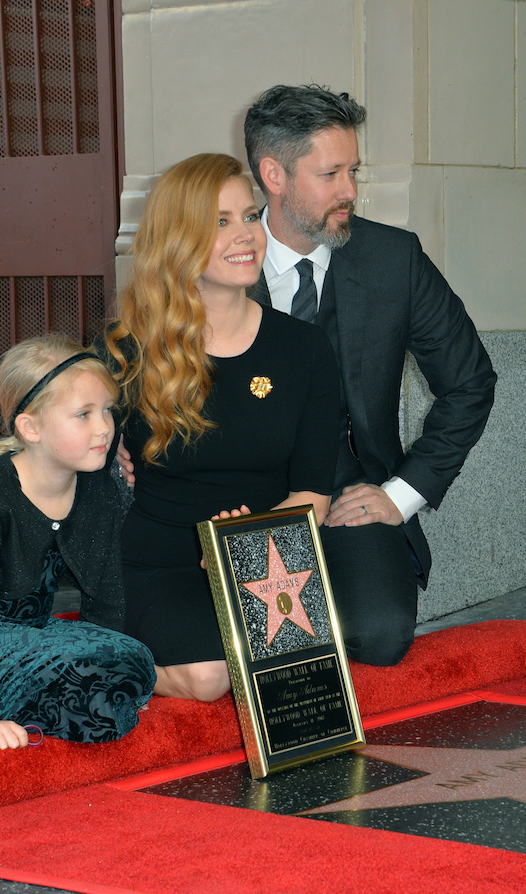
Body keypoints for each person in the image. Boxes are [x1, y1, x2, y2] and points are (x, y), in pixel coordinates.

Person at [241, 84, 497, 666]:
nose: (350, 192)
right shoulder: (214, 255)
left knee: (381, 637)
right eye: (330, 174)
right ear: (274, 175)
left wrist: (399, 495)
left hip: (348, 495)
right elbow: (129, 372)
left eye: (353, 171)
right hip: (240, 503)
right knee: (239, 653)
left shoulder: (393, 259)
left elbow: (470, 380)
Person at [101, 152, 339, 703]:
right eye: (220, 222)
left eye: (251, 216)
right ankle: (92, 655)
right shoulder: (126, 352)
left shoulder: (303, 349)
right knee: (210, 677)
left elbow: (312, 494)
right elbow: (55, 448)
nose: (246, 236)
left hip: (268, 559)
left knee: (298, 664)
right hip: (158, 561)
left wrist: (247, 545)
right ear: (178, 240)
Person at [0, 335, 155, 749]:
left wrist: (107, 665)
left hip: (27, 628)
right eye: (83, 414)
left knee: (133, 659)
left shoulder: (99, 487)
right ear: (31, 427)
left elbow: (106, 596)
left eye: (107, 411)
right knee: (115, 672)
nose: (104, 428)